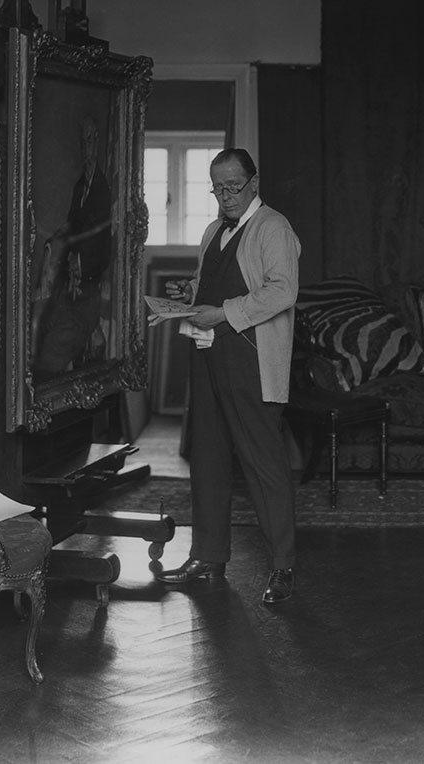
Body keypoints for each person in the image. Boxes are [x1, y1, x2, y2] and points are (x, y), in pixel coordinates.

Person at [150, 148, 301, 605]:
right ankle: (208, 556)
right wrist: (186, 297)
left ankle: (283, 568)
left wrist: (223, 313)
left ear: (254, 183)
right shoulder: (213, 230)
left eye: (233, 186)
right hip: (208, 353)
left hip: (250, 360)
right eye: (218, 188)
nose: (226, 195)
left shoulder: (274, 228)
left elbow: (283, 290)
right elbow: (207, 285)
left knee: (263, 464)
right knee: (208, 458)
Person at [33, 115, 112, 378]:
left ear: (97, 143)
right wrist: (55, 238)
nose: (86, 148)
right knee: (42, 325)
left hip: (87, 288)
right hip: (68, 283)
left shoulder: (104, 188)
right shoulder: (81, 185)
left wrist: (80, 261)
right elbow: (72, 222)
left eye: (90, 140)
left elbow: (103, 237)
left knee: (56, 348)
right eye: (83, 141)